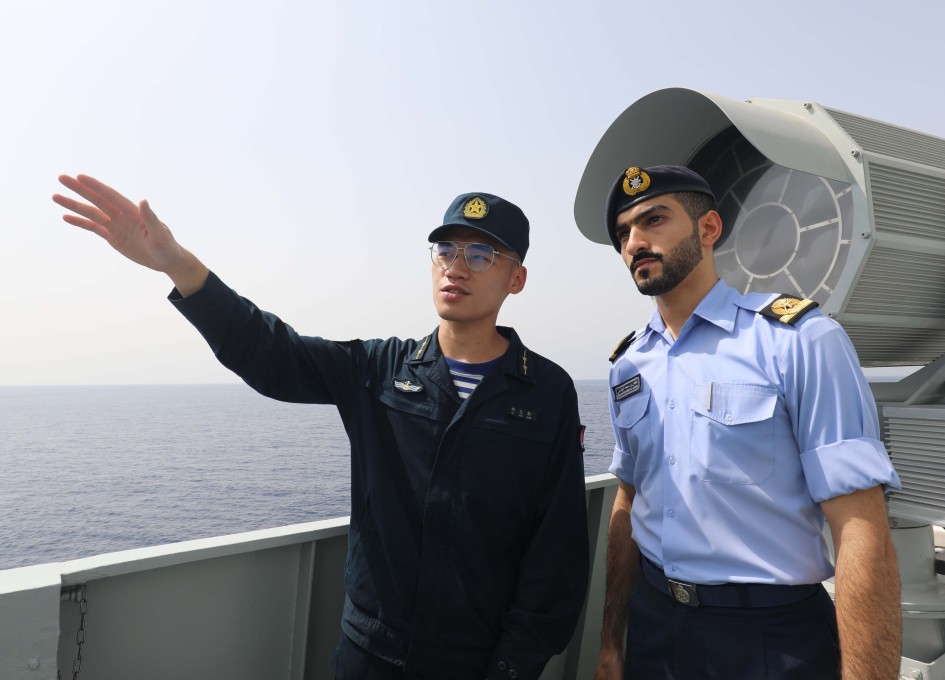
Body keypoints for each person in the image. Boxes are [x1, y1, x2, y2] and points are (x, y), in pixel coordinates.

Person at [53, 175, 590, 680]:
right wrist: (180, 267)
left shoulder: (546, 393)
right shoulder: (378, 370)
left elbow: (557, 549)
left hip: (479, 660)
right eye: (445, 251)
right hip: (370, 653)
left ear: (516, 278)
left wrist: (513, 666)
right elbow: (271, 353)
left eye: (480, 255)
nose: (457, 267)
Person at [591, 165, 903, 679]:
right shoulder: (629, 365)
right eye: (623, 233)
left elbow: (860, 525)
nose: (634, 243)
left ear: (708, 229)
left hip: (767, 637)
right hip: (653, 625)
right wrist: (609, 638)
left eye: (654, 220)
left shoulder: (798, 340)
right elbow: (628, 499)